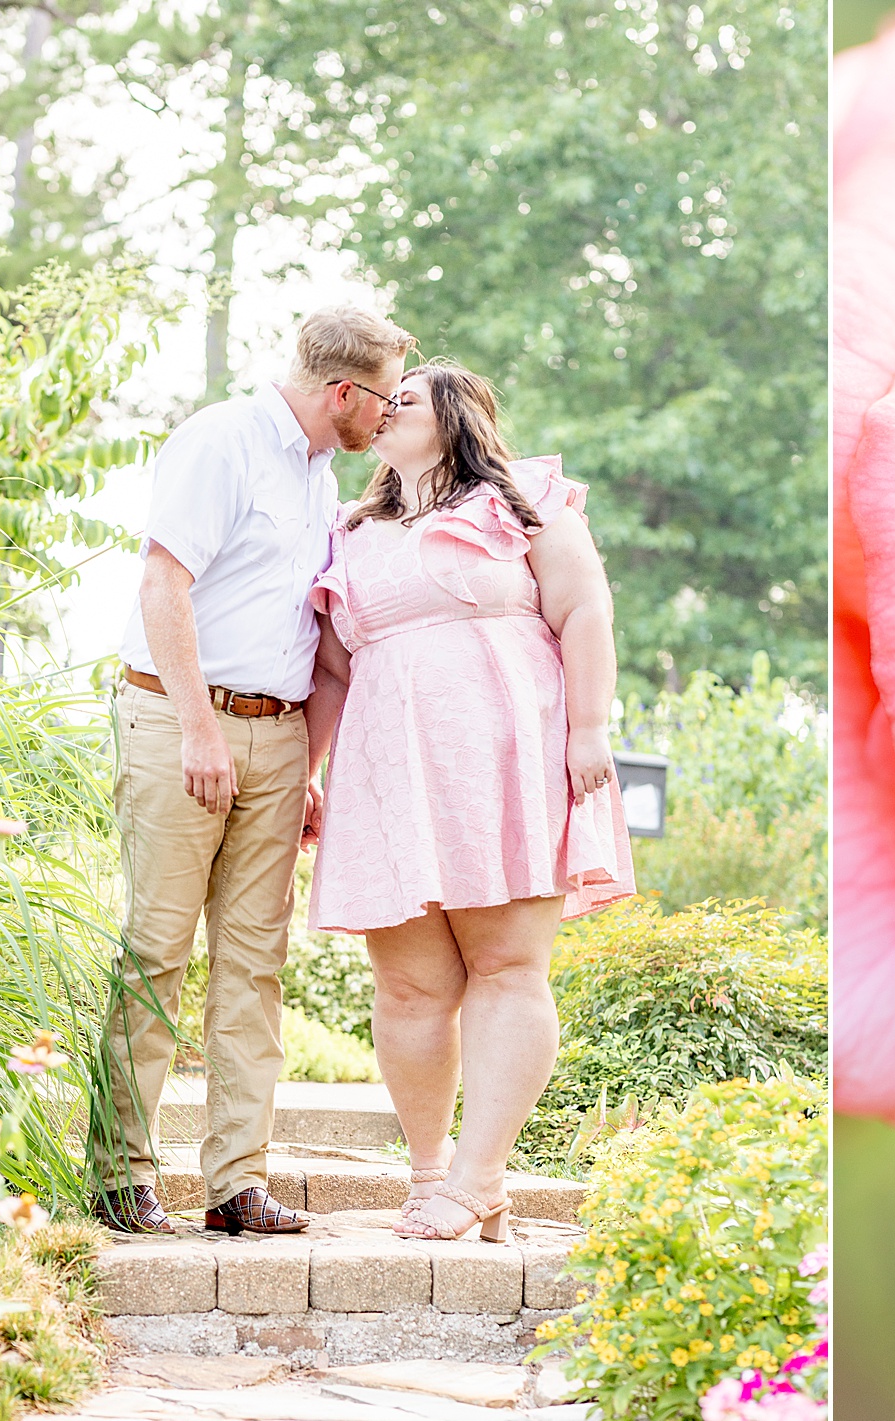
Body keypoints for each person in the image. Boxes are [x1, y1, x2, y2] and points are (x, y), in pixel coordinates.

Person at [96, 307, 414, 1236]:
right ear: (343, 393)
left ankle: (237, 1183)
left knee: (254, 964)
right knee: (156, 949)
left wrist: (302, 762)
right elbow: (165, 584)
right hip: (177, 718)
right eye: (386, 399)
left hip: (277, 739)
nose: (389, 419)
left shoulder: (322, 479)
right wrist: (200, 729)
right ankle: (122, 1175)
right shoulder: (221, 442)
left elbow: (307, 629)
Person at [306, 359, 633, 1243]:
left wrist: (589, 728)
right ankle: (428, 1174)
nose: (382, 409)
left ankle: (480, 1175)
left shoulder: (525, 501)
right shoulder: (352, 528)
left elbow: (586, 610)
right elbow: (332, 666)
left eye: (403, 398)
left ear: (454, 416)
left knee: (504, 966)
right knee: (410, 982)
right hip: (386, 765)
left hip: (503, 753)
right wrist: (309, 767)